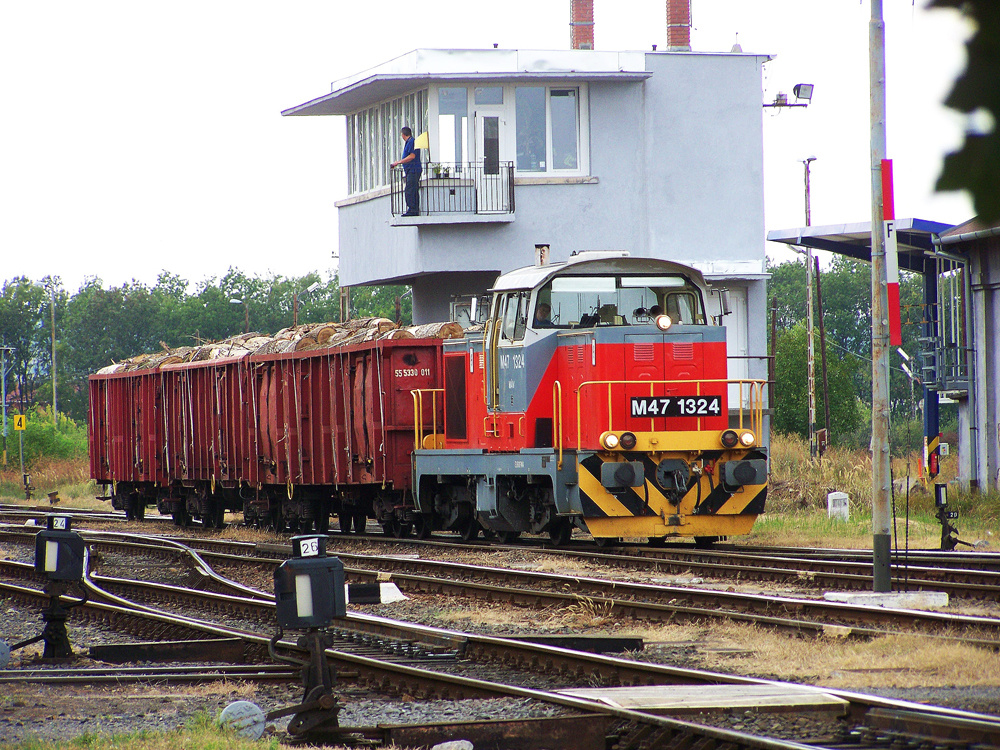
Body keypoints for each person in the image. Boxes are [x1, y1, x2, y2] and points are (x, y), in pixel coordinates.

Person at [391, 126, 421, 216]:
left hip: (413, 170)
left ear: (403, 134)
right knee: (413, 189)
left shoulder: (411, 142)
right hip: (411, 170)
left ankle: (412, 209)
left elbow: (412, 156)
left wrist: (399, 162)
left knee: (409, 190)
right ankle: (414, 209)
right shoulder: (410, 142)